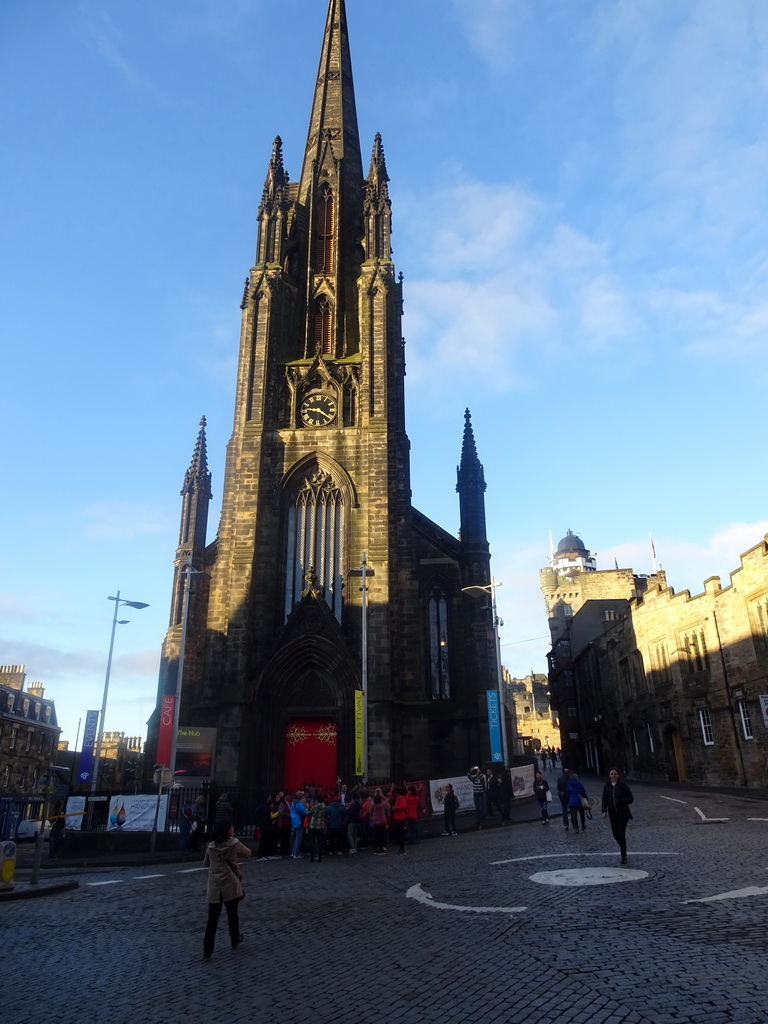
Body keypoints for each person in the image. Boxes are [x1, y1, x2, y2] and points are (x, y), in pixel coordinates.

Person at [202, 822, 251, 961]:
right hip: (229, 882)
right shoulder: (233, 843)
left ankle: (207, 950)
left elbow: (206, 863)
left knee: (212, 919)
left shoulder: (211, 845)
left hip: (214, 885)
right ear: (228, 831)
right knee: (232, 913)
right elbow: (248, 853)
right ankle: (235, 939)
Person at [602, 768, 634, 864]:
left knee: (621, 833)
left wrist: (622, 802)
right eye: (612, 774)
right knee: (615, 834)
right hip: (613, 813)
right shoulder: (607, 786)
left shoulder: (623, 786)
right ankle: (623, 847)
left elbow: (630, 798)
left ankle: (623, 856)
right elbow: (604, 799)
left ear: (618, 775)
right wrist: (604, 810)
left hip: (623, 813)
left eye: (615, 774)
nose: (614, 775)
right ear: (609, 776)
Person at [308, 792, 326, 863]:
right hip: (320, 825)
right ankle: (320, 857)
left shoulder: (314, 807)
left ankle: (312, 857)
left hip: (313, 825)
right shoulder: (324, 806)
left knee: (312, 841)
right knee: (320, 841)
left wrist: (307, 809)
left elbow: (308, 813)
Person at [289, 790, 308, 859]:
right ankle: (296, 853)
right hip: (299, 821)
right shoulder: (299, 803)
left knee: (295, 837)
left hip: (294, 821)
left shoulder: (293, 803)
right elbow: (304, 812)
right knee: (299, 837)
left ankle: (293, 852)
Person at [370, 788, 389, 855]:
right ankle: (380, 850)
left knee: (376, 836)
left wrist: (375, 796)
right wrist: (381, 795)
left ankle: (375, 850)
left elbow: (372, 803)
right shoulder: (382, 805)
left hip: (375, 821)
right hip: (382, 822)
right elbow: (386, 800)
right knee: (381, 836)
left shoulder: (374, 804)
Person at [390, 785, 407, 855]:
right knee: (399, 833)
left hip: (400, 818)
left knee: (400, 834)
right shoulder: (398, 798)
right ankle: (401, 848)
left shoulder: (401, 798)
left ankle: (402, 849)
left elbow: (404, 806)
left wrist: (395, 808)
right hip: (397, 817)